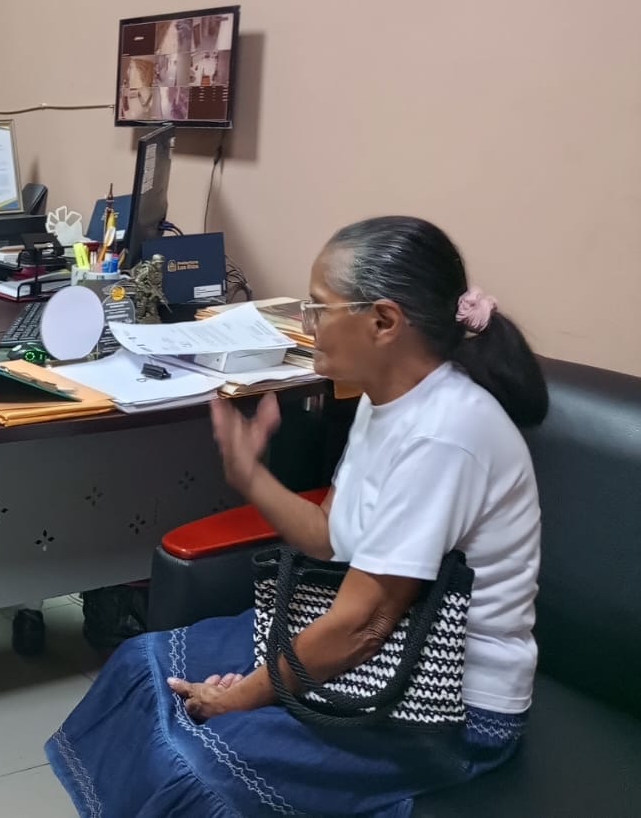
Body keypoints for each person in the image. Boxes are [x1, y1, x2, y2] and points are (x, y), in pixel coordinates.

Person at [47, 216, 548, 817]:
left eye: (318, 308)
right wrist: (251, 476)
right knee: (141, 664)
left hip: (448, 705)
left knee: (199, 764)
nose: (307, 325)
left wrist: (244, 697)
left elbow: (363, 627)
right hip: (380, 646)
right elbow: (329, 538)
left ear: (384, 321)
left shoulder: (445, 434)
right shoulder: (385, 398)